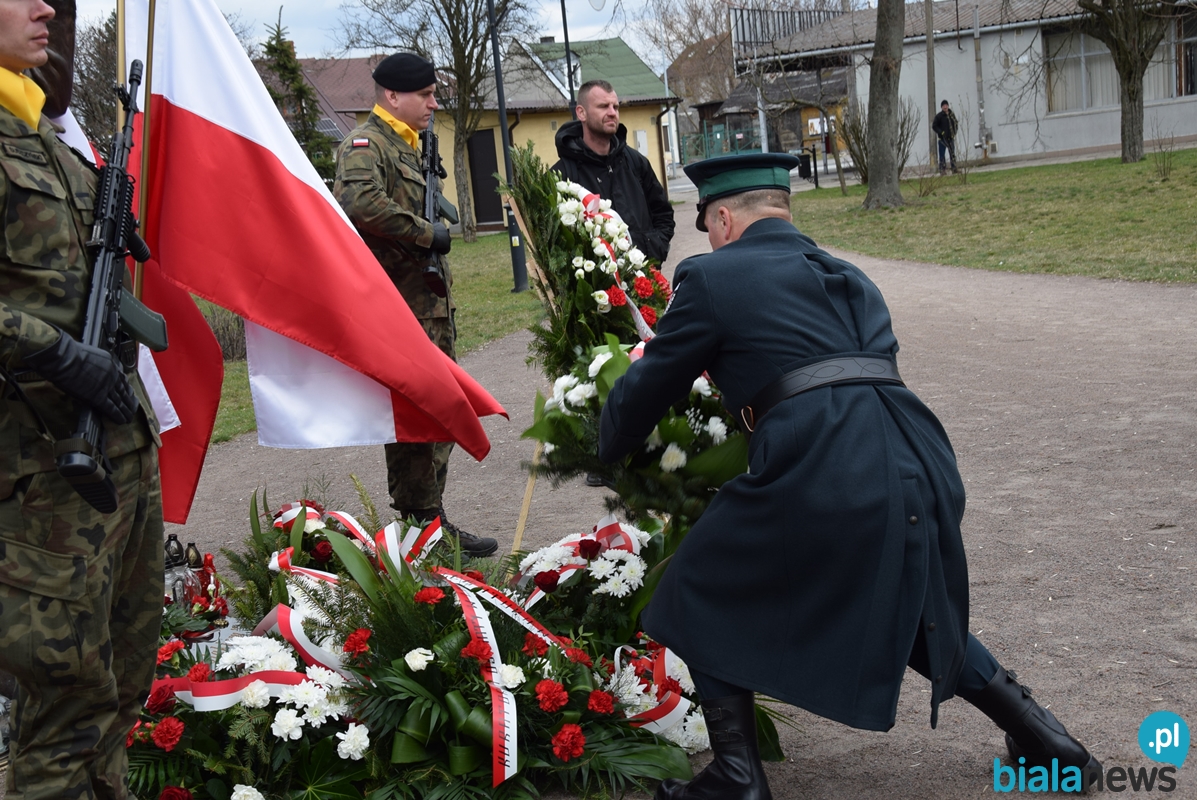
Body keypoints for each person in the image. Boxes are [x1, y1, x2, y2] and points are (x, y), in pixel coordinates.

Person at [598, 153, 1101, 799]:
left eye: (710, 227)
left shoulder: (711, 276)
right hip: (917, 454)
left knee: (693, 589)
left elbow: (654, 381)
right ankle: (1049, 741)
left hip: (825, 462)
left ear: (721, 219)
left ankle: (736, 777)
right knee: (908, 602)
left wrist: (609, 443)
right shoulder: (849, 275)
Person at [0, 1, 165, 797]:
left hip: (118, 450)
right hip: (40, 476)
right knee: (65, 713)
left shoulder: (44, 134)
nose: (46, 8)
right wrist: (57, 351)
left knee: (120, 694)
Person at [333, 52, 497, 558]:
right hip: (399, 308)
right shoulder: (366, 145)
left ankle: (429, 521)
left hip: (428, 305)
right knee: (417, 415)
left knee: (438, 413)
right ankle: (420, 526)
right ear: (392, 96)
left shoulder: (410, 147)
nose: (433, 103)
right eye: (425, 95)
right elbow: (360, 204)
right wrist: (428, 233)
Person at [552, 80, 675, 264]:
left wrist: (652, 250)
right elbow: (552, 240)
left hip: (645, 276)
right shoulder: (563, 176)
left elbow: (663, 214)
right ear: (581, 113)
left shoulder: (636, 162)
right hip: (592, 280)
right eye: (603, 106)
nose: (612, 113)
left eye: (615, 107)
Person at [933, 99, 959, 174]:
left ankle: (954, 168)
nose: (945, 107)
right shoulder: (939, 116)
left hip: (951, 138)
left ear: (948, 106)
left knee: (952, 154)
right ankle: (942, 170)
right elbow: (934, 126)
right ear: (941, 107)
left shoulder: (951, 115)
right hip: (942, 139)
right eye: (943, 106)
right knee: (942, 155)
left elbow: (955, 123)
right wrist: (941, 132)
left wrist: (954, 132)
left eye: (946, 105)